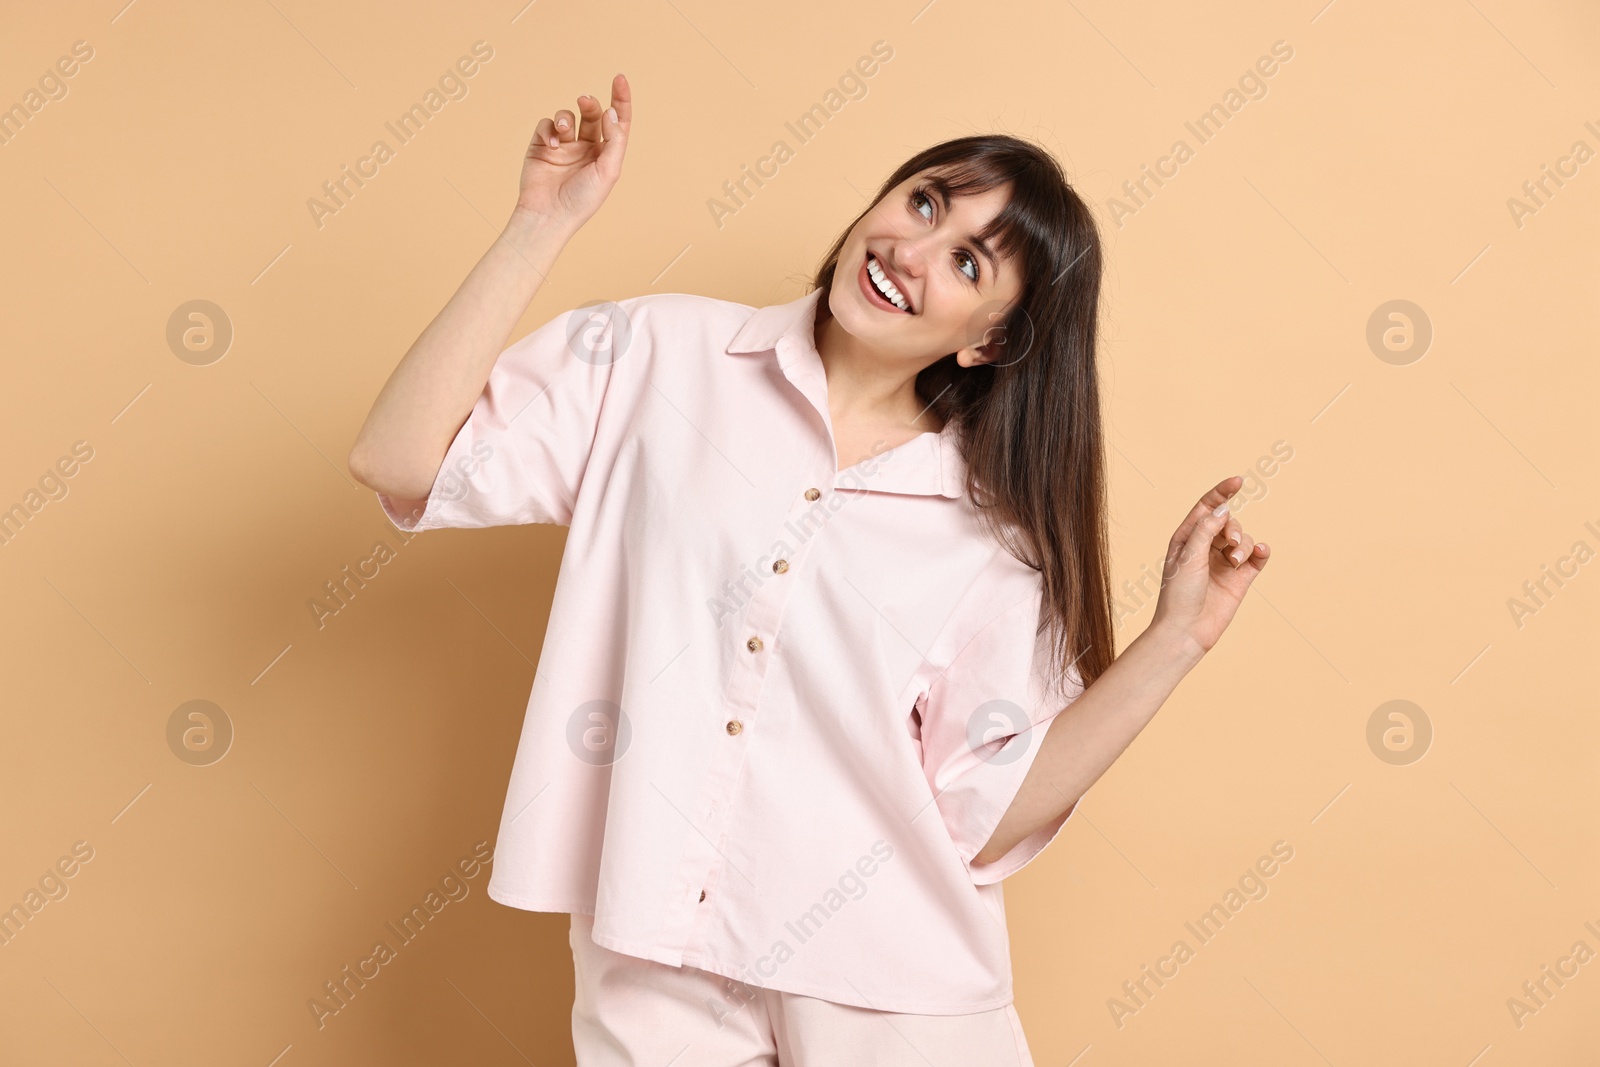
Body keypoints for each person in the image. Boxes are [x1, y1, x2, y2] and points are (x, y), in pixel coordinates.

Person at [348, 73, 1270, 1067]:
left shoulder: (990, 531)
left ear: (989, 338)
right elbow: (401, 459)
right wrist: (540, 220)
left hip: (893, 980)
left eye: (963, 260)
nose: (908, 253)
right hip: (651, 948)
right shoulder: (659, 355)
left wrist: (1175, 641)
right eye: (922, 201)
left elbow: (988, 804)